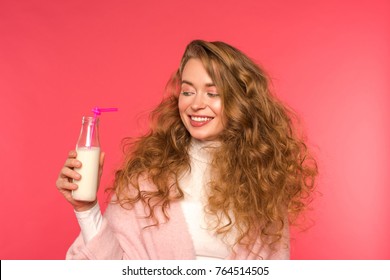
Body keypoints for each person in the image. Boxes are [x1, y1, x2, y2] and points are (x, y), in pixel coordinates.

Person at [56, 40, 318, 260]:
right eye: (188, 91)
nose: (196, 104)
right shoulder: (145, 180)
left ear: (240, 102)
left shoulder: (262, 188)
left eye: (212, 93)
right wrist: (86, 208)